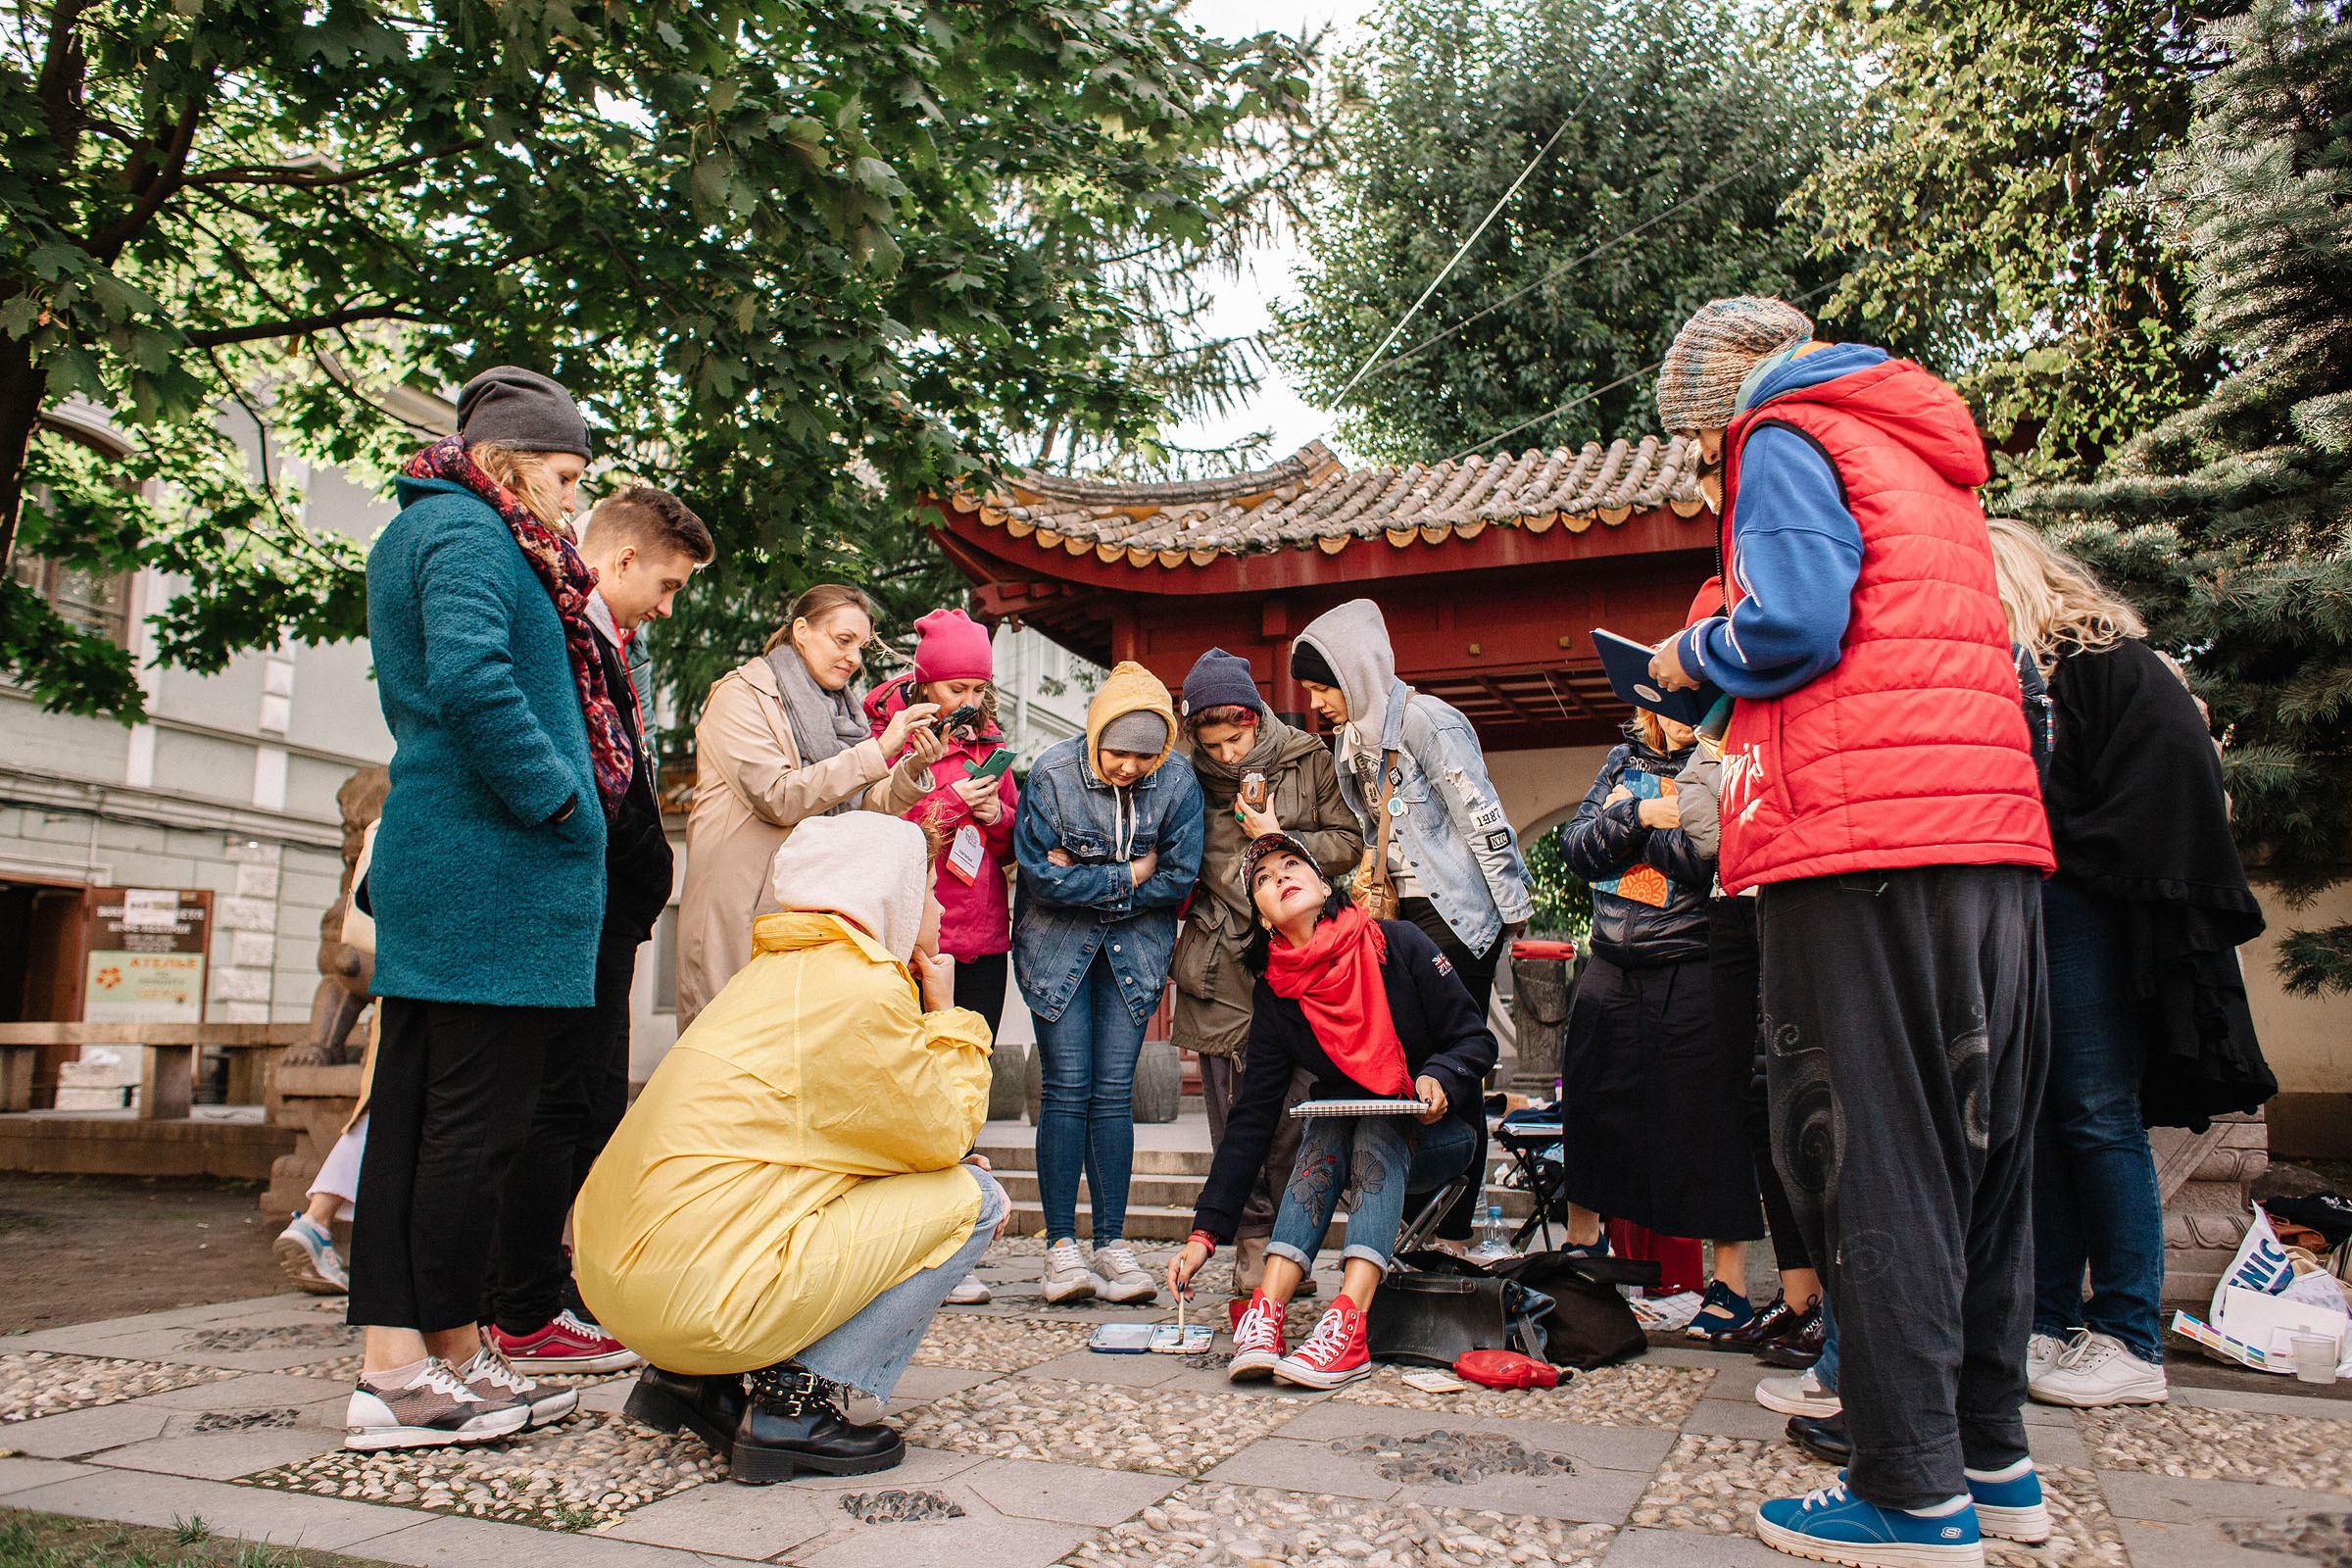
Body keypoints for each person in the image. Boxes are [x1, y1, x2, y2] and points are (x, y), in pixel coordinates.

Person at [1646, 298, 2057, 1563]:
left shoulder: (1782, 431)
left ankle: (1909, 1488)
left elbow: (1797, 620)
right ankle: (1990, 1458)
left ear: (1719, 398)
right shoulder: (1919, 449)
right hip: (1988, 834)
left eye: (1694, 436)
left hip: (1864, 839)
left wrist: (1692, 653)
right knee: (1982, 1157)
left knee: (1872, 1155)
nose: (1705, 459)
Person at [575, 813, 1005, 1485]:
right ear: (887, 892)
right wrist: (947, 1014)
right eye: (929, 890)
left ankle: (695, 1380)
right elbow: (945, 1133)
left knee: (913, 1180)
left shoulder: (770, 975)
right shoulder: (859, 988)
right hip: (696, 1298)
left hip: (625, 1287)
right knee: (977, 1199)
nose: (941, 908)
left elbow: (830, 1143)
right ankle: (795, 1406)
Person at [350, 366, 614, 1449]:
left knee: (426, 1125)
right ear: (509, 460)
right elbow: (471, 678)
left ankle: (440, 1354)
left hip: (464, 867)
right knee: (471, 1132)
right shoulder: (468, 532)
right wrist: (560, 799)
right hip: (489, 870)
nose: (574, 498)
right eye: (565, 474)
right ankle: (398, 1374)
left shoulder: (439, 526)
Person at [1985, 517, 2269, 1411]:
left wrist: (2059, 841)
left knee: (2097, 1115)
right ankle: (2047, 1319)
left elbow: (2169, 796)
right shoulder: (2019, 679)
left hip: (2089, 913)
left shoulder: (2111, 667)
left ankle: (2130, 1336)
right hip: (2030, 912)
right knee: (2041, 1120)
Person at [483, 486, 711, 1373]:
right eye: (667, 585)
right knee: (558, 1105)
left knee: (588, 1106)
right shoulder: (564, 632)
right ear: (620, 560)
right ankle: (523, 1304)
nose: (668, 605)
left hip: (611, 901)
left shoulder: (618, 643)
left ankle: (550, 1288)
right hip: (574, 895)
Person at [1164, 834, 1495, 1388]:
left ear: (1323, 884)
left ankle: (1350, 1324)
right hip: (1348, 1145)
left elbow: (1475, 1041)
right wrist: (1204, 1234)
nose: (1280, 877)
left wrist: (1440, 1076)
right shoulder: (1278, 994)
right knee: (1329, 1121)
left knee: (1376, 1121)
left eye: (1291, 865)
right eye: (1263, 878)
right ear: (1262, 916)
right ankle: (1268, 1312)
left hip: (1439, 1138)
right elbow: (1252, 1118)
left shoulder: (1398, 943)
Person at [1290, 598, 1533, 1248]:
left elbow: (1482, 815)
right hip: (1397, 916)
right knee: (1404, 1066)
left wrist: (1513, 912)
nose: (1316, 702)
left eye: (1323, 687)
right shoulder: (1349, 742)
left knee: (1453, 1069)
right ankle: (1411, 1223)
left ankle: (1453, 1228)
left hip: (1456, 914)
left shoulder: (1429, 721)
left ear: (1357, 672)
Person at [1556, 704, 1765, 1335]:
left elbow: (1701, 859)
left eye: (1691, 709)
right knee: (1590, 1101)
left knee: (1708, 1117)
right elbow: (1576, 848)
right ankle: (1583, 1248)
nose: (1678, 720)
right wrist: (1645, 814)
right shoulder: (1623, 758)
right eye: (1665, 707)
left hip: (1692, 959)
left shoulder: (1723, 762)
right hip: (1611, 958)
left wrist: (1624, 821)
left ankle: (1730, 1285)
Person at [1170, 648, 1362, 1311]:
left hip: (1300, 955)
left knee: (1297, 1110)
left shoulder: (1307, 757)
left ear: (1256, 718)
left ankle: (1291, 1243)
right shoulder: (1183, 775)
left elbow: (1350, 841)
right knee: (1234, 1114)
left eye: (1236, 739)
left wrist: (1281, 838)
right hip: (1220, 961)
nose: (1226, 755)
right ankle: (1253, 1250)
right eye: (1213, 745)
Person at [1012, 662, 1203, 1305]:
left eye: (1144, 756)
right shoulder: (1053, 775)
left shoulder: (1178, 782)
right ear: (1095, 735)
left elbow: (1179, 877)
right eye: (1118, 752)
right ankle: (1060, 1247)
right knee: (1067, 1088)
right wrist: (1129, 875)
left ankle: (1112, 1244)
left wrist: (1087, 874)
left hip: (1136, 950)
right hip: (1055, 946)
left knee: (1114, 1093)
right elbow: (1042, 879)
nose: (1129, 766)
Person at [1673, 582, 1827, 1362]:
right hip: (1733, 906)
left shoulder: (1800, 684)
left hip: (1798, 900)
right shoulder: (1713, 727)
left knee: (1811, 1097)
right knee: (1758, 1102)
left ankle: (1836, 1302)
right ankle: (1798, 1294)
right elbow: (1701, 823)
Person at [676, 584, 945, 1027]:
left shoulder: (844, 713)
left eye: (861, 647)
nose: (854, 658)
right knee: (729, 1043)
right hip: (744, 908)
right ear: (801, 630)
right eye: (843, 640)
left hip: (810, 910)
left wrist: (910, 767)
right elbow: (777, 797)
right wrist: (878, 752)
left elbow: (858, 814)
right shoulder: (741, 695)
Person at [863, 607, 1020, 1306]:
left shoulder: (992, 744)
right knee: (909, 1088)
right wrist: (952, 802)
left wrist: (997, 816)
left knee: (966, 1086)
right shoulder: (891, 734)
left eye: (979, 688)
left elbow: (1013, 840)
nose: (969, 701)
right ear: (926, 681)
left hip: (982, 934)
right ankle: (912, 1240)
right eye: (957, 687)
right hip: (915, 935)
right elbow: (882, 824)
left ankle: (961, 1236)